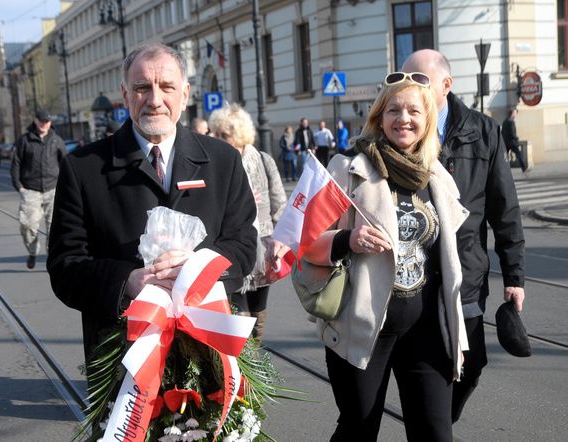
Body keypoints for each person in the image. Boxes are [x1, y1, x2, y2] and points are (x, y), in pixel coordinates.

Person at [46, 43, 257, 367]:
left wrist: (200, 269)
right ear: (126, 93)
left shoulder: (222, 161)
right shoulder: (83, 168)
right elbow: (65, 266)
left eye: (167, 87)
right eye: (142, 87)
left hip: (207, 353)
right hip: (121, 358)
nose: (155, 100)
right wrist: (127, 282)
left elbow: (244, 246)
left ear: (185, 94)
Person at [304, 71, 468, 441]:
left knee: (435, 433)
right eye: (393, 109)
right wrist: (348, 239)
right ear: (379, 117)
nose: (403, 118)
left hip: (427, 330)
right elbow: (306, 241)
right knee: (358, 429)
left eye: (414, 111)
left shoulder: (438, 177)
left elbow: (450, 258)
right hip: (364, 327)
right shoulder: (347, 169)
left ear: (427, 121)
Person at [402, 49, 525, 423]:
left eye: (419, 80)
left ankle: (440, 417)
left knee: (471, 366)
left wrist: (515, 276)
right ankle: (431, 422)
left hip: (465, 276)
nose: (411, 90)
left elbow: (504, 209)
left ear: (446, 85)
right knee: (427, 369)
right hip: (414, 277)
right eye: (406, 80)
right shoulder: (401, 127)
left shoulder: (482, 130)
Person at [209, 104, 289, 340]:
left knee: (258, 314)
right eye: (217, 134)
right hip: (231, 250)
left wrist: (281, 240)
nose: (219, 140)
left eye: (225, 135)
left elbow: (279, 204)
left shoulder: (263, 161)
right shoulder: (215, 164)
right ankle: (244, 368)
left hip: (263, 250)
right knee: (240, 317)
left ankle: (257, 363)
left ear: (240, 135)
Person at [11, 109, 66, 269]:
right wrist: (19, 187)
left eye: (47, 121)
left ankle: (51, 259)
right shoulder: (24, 140)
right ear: (35, 121)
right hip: (30, 190)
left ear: (50, 122)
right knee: (27, 226)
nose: (44, 124)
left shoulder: (56, 140)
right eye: (41, 121)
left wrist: (64, 186)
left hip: (53, 189)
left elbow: (65, 164)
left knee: (55, 228)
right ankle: (33, 251)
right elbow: (16, 164)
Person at [501, 108, 528, 173]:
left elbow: (502, 132)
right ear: (513, 113)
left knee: (504, 156)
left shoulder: (505, 121)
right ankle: (524, 167)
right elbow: (512, 133)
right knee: (519, 154)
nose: (516, 114)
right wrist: (516, 138)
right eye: (515, 113)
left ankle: (503, 169)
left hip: (505, 142)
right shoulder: (511, 122)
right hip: (512, 142)